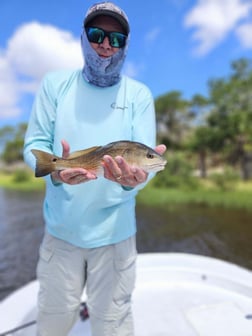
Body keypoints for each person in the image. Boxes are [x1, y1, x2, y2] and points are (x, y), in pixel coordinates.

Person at [23, 2, 166, 336]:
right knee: (54, 320)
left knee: (113, 324)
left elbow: (145, 164)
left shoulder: (139, 95)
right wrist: (56, 172)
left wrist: (134, 182)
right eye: (97, 34)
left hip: (116, 237)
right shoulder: (54, 85)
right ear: (84, 38)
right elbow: (35, 145)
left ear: (126, 44)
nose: (106, 44)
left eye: (116, 39)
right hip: (61, 234)